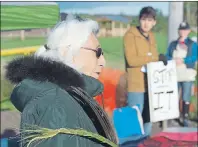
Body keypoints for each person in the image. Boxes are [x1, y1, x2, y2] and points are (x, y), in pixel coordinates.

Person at [5, 15, 118, 147]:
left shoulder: (65, 98)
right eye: (98, 52)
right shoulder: (55, 104)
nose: (103, 62)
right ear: (67, 51)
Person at [123, 6, 167, 136]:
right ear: (139, 20)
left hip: (152, 84)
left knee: (149, 118)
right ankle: (133, 144)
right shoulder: (130, 35)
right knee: (135, 119)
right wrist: (154, 58)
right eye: (143, 19)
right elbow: (132, 60)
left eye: (149, 20)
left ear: (154, 22)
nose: (146, 23)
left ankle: (145, 142)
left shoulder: (152, 36)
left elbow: (152, 57)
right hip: (136, 85)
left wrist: (160, 59)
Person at [166, 21, 197, 127]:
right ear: (178, 31)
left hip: (187, 75)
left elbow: (194, 57)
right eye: (181, 29)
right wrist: (173, 60)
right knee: (173, 96)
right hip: (175, 74)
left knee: (185, 96)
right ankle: (173, 116)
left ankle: (185, 117)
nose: (183, 31)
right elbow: (167, 56)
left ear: (188, 31)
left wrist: (183, 60)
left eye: (185, 29)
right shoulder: (173, 44)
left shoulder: (193, 44)